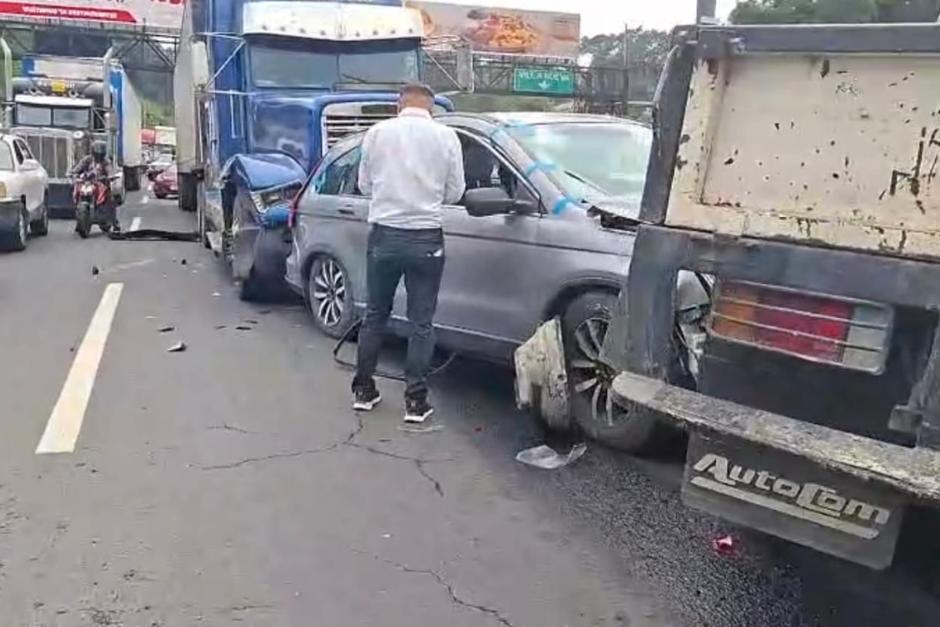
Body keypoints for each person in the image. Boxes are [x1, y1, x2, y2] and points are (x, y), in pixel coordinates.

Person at [352, 83, 466, 423]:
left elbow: (364, 185)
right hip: (425, 238)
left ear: (397, 103)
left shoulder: (376, 133)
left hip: (384, 236)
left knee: (375, 314)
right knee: (421, 323)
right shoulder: (447, 137)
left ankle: (364, 391)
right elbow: (456, 191)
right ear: (431, 107)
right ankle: (415, 402)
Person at [72, 140, 120, 232]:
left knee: (111, 199)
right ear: (92, 151)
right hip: (87, 183)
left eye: (101, 152)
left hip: (101, 184)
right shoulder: (87, 159)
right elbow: (78, 168)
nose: (99, 154)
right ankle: (79, 221)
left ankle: (115, 223)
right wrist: (73, 173)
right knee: (76, 192)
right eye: (97, 152)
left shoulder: (106, 161)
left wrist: (110, 176)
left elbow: (110, 170)